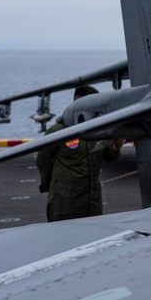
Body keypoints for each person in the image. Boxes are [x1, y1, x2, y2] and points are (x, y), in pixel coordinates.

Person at [37, 85, 124, 222]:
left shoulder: (99, 130)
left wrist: (116, 148)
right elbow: (43, 161)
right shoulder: (59, 131)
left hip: (92, 201)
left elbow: (107, 156)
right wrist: (51, 187)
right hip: (64, 203)